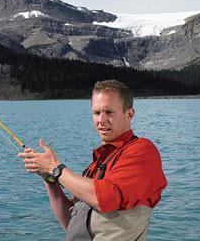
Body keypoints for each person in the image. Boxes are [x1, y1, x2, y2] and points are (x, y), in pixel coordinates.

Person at [17, 79, 167, 241]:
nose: (101, 120)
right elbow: (71, 224)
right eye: (96, 113)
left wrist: (55, 168)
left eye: (109, 112)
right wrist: (49, 179)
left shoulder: (142, 151)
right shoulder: (96, 165)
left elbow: (105, 197)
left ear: (129, 114)